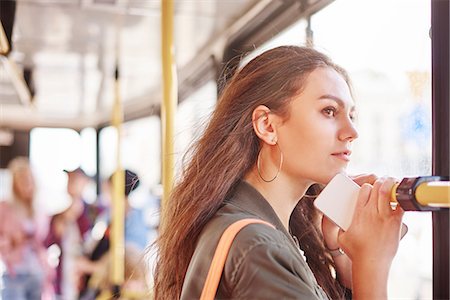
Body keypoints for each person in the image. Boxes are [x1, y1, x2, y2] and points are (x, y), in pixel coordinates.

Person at [154, 46, 405, 299]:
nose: (352, 132)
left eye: (352, 115)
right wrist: (372, 263)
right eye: (329, 111)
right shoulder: (259, 248)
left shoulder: (249, 226)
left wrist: (343, 261)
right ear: (267, 126)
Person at [45, 167, 102, 299]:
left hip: (88, 281)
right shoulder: (59, 215)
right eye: (69, 180)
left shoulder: (95, 211)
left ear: (86, 182)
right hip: (63, 279)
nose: (71, 183)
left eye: (76, 180)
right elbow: (47, 242)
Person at [0, 157, 52, 299]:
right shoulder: (5, 207)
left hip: (36, 271)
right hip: (15, 273)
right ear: (15, 185)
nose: (26, 185)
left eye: (28, 180)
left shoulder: (39, 209)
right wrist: (11, 242)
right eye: (21, 181)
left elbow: (44, 240)